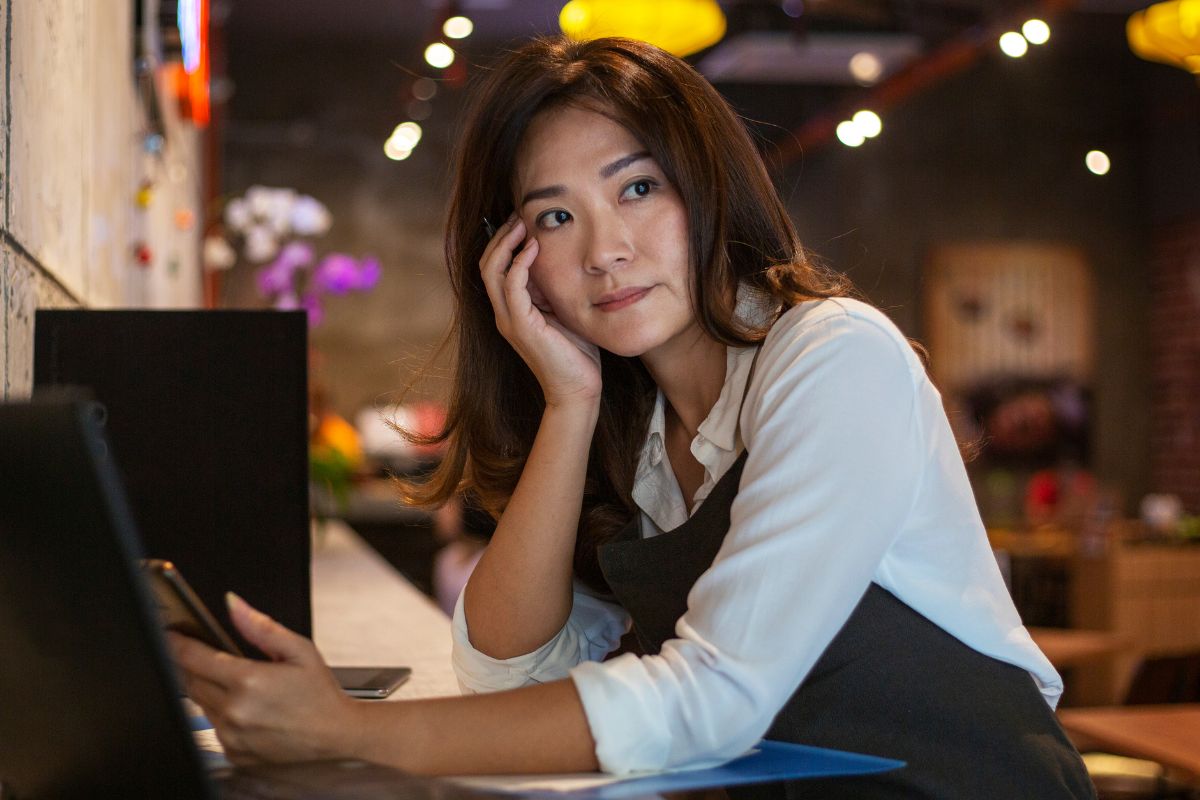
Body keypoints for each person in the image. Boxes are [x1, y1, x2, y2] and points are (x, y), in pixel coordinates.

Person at [170, 35, 1096, 797]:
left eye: (638, 188)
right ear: (515, 257)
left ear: (709, 189)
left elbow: (717, 698)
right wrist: (569, 403)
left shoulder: (836, 357)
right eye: (557, 218)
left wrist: (351, 733)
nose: (607, 251)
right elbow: (507, 669)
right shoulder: (637, 434)